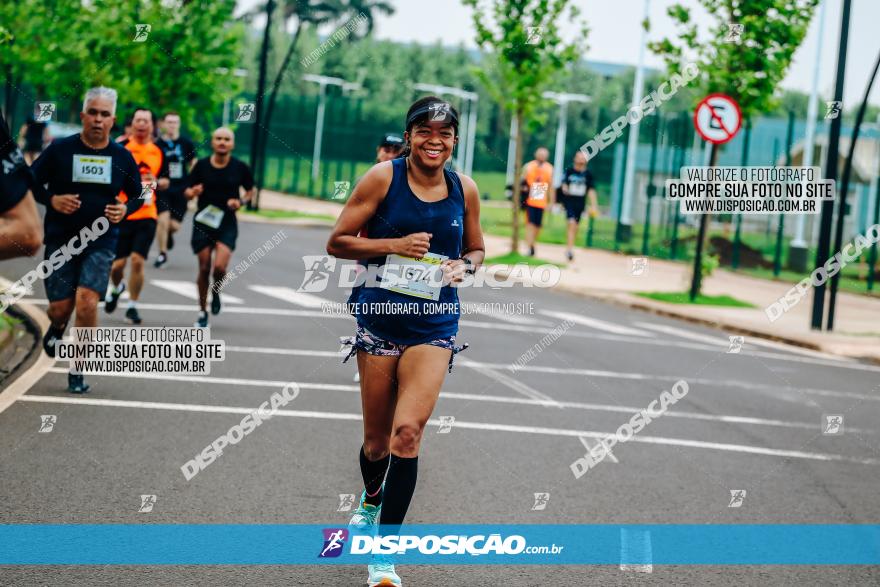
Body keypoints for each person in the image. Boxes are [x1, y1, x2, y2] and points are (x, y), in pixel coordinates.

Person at [326, 96, 484, 587]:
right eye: (425, 131)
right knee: (376, 445)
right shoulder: (383, 179)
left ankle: (383, 557)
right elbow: (337, 241)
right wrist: (392, 245)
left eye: (445, 133)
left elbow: (477, 247)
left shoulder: (466, 188)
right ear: (410, 134)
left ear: (454, 140)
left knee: (407, 435)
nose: (435, 141)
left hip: (434, 325)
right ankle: (371, 499)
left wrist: (467, 266)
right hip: (380, 323)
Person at [31, 87, 142, 393]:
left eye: (104, 114)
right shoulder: (60, 150)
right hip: (61, 239)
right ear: (82, 116)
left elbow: (139, 195)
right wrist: (52, 200)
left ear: (113, 120)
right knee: (61, 308)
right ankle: (56, 327)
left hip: (101, 240)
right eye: (92, 112)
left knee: (87, 302)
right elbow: (30, 181)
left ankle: (78, 368)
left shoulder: (121, 156)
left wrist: (125, 208)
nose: (97, 119)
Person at [184, 127, 255, 328]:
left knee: (220, 267)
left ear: (232, 144)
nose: (222, 142)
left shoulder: (240, 167)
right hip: (204, 221)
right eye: (218, 139)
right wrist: (193, 192)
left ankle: (216, 291)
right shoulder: (201, 166)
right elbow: (187, 191)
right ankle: (202, 311)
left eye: (226, 139)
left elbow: (251, 191)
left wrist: (240, 202)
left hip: (226, 222)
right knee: (204, 266)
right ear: (212, 142)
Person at [104, 107, 169, 325]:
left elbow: (166, 180)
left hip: (147, 213)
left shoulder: (158, 152)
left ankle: (132, 305)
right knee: (117, 266)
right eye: (138, 120)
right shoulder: (120, 148)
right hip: (123, 211)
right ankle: (117, 288)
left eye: (146, 121)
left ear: (152, 126)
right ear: (132, 124)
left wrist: (157, 182)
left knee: (138, 261)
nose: (142, 124)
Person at [154, 112, 197, 268]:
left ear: (179, 124)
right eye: (169, 122)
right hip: (163, 188)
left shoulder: (186, 143)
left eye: (175, 122)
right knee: (162, 220)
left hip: (181, 189)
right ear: (164, 124)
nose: (172, 125)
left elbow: (193, 163)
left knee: (174, 226)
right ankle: (162, 254)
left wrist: (192, 185)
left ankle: (168, 236)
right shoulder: (157, 144)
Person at [0, 111, 42, 259]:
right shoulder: (42, 115)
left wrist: (23, 136)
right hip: (35, 142)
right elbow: (28, 235)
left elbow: (25, 128)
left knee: (31, 157)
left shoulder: (33, 115)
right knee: (27, 232)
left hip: (32, 142)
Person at [558, 150, 599, 261]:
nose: (581, 160)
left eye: (583, 158)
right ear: (575, 159)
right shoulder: (569, 171)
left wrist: (594, 205)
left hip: (580, 204)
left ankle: (570, 246)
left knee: (575, 226)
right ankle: (570, 250)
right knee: (571, 223)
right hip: (569, 202)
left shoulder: (588, 174)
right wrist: (564, 188)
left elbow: (591, 190)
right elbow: (563, 183)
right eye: (579, 157)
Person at [521, 147, 554, 257]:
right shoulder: (528, 166)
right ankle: (530, 247)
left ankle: (532, 243)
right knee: (530, 224)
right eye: (540, 154)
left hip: (541, 200)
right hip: (530, 199)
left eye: (544, 154)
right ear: (536, 154)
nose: (542, 156)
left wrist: (551, 202)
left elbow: (551, 187)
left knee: (538, 225)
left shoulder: (550, 168)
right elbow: (522, 181)